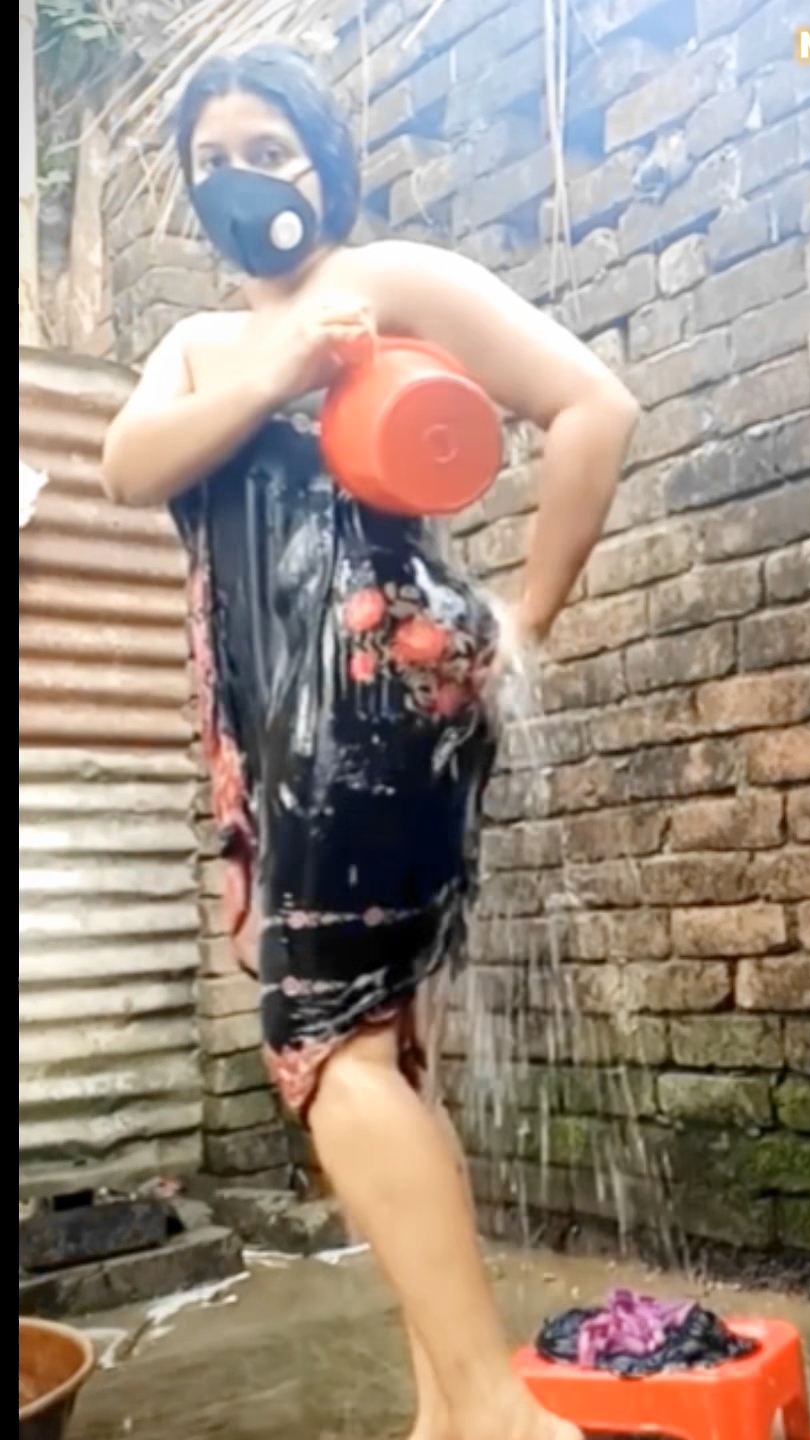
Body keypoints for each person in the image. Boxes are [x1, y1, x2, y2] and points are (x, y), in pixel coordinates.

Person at [102, 43, 639, 1440]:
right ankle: (445, 1416)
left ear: (327, 162)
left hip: (378, 702)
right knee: (385, 1053)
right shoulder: (199, 348)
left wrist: (524, 619)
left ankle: (503, 1417)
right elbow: (128, 465)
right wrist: (282, 365)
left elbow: (594, 406)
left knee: (323, 1039)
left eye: (269, 151)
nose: (243, 181)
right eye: (214, 160)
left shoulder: (385, 280)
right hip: (279, 733)